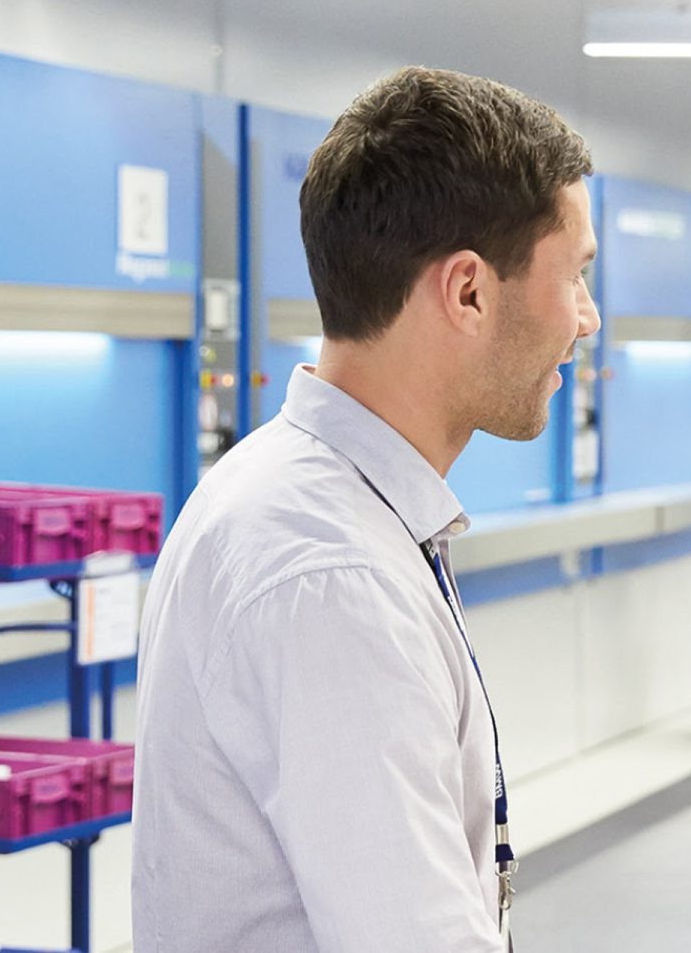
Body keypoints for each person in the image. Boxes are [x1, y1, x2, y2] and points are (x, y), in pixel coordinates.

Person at [133, 67, 600, 952]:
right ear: (467, 290)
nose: (588, 317)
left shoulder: (302, 500)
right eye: (574, 275)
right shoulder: (329, 576)